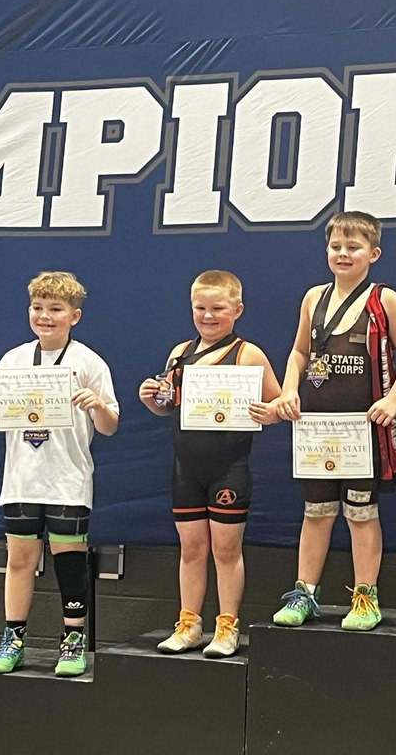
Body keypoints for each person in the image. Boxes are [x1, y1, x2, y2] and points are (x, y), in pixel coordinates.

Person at [271, 211, 396, 631]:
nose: (343, 253)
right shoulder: (313, 298)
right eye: (336, 246)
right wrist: (288, 390)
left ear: (373, 253)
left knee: (361, 512)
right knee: (316, 510)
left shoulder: (383, 300)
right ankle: (305, 593)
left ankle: (365, 596)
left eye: (353, 247)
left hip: (362, 427)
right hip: (318, 426)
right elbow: (300, 352)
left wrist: (393, 400)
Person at [0, 271, 119, 677]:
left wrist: (97, 406)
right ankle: (13, 638)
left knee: (69, 560)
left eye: (55, 309)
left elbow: (109, 426)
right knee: (19, 559)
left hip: (68, 479)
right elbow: (5, 424)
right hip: (22, 478)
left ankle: (73, 641)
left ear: (75, 316)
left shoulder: (89, 362)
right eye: (38, 308)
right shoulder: (13, 360)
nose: (45, 316)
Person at [139, 270, 281, 656]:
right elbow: (167, 405)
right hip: (186, 467)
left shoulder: (247, 353)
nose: (208, 316)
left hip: (229, 467)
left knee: (225, 550)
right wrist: (150, 397)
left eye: (218, 308)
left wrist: (268, 412)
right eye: (200, 308)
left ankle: (227, 626)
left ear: (237, 309)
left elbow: (280, 405)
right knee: (191, 549)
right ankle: (189, 624)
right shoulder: (179, 353)